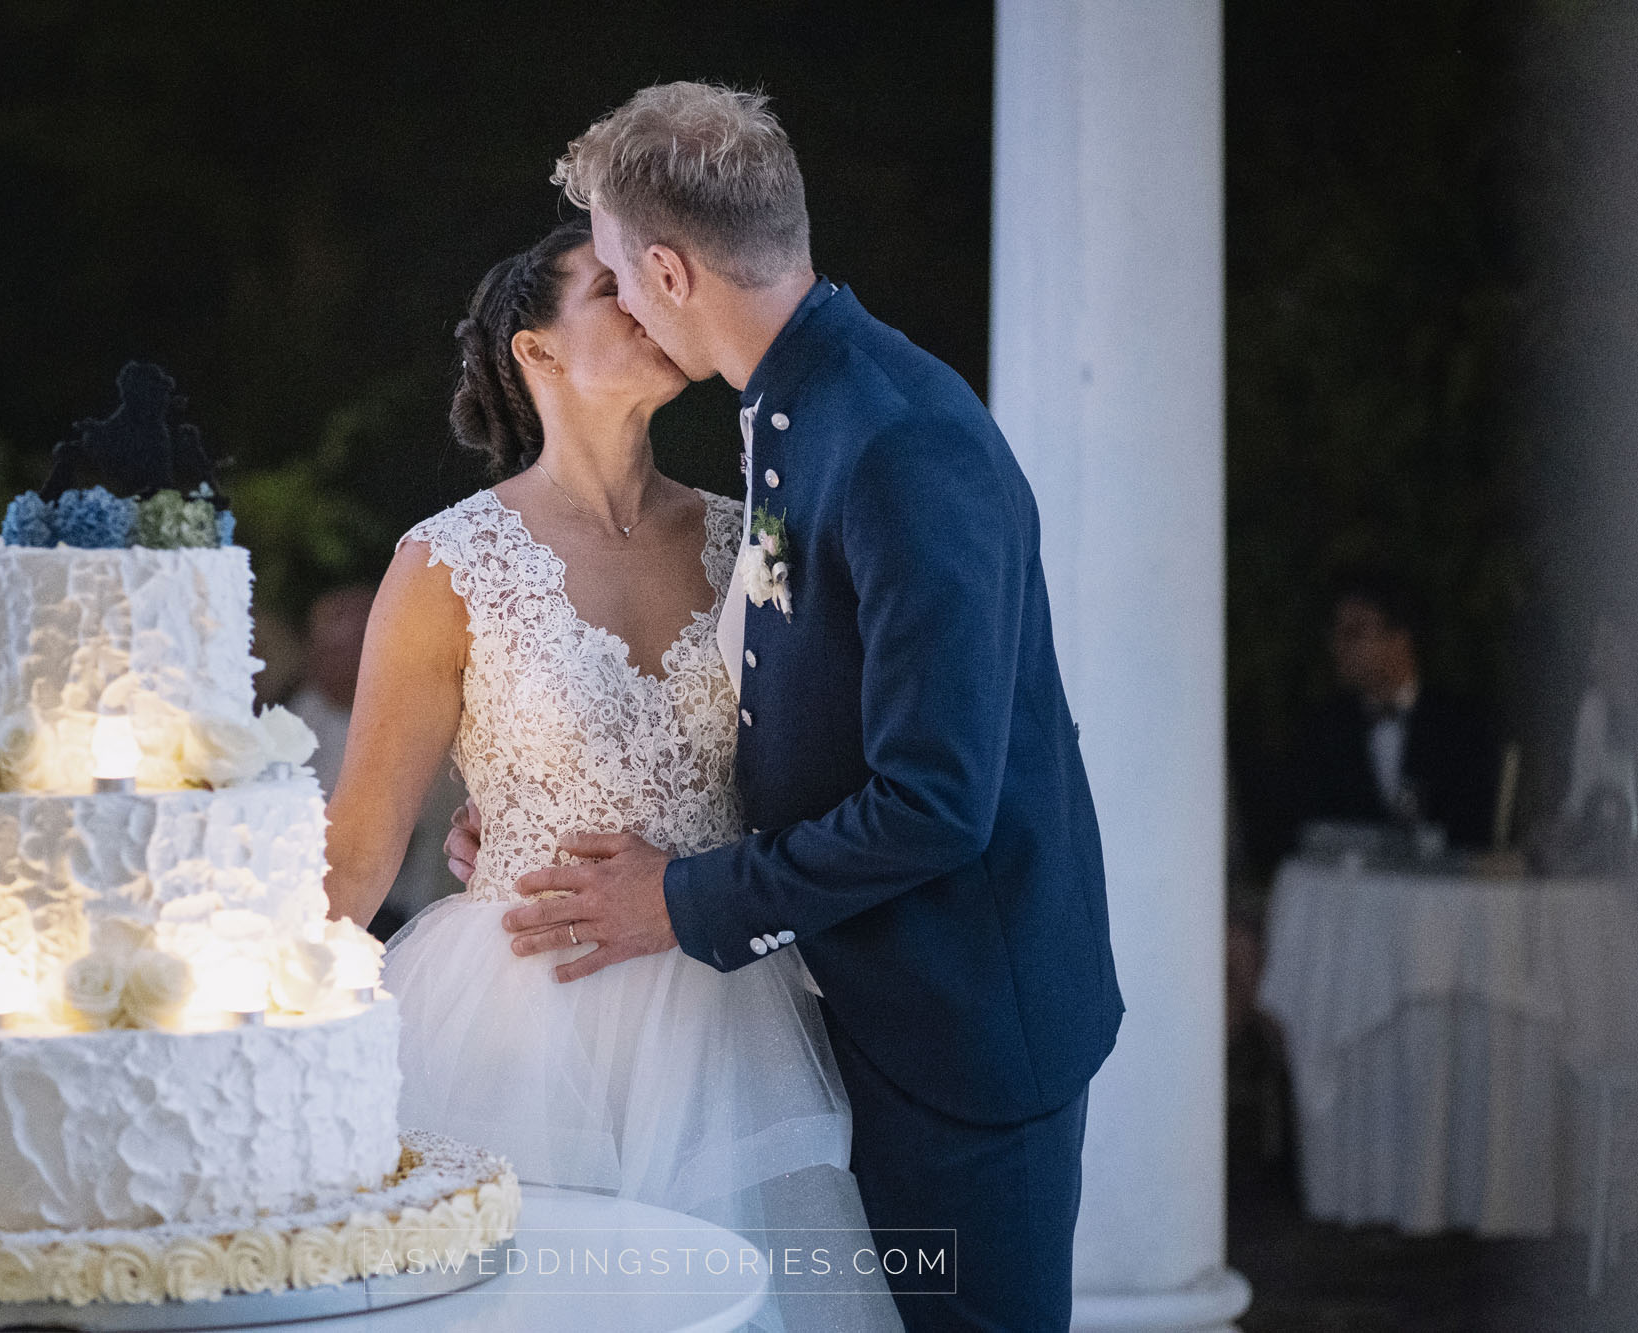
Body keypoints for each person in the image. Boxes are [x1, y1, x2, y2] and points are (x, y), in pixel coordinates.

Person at [462, 83, 1124, 1331]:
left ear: (665, 267)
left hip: (964, 1033)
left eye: (612, 267)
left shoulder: (895, 440)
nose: (615, 288)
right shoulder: (790, 399)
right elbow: (791, 698)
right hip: (855, 1004)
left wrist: (677, 898)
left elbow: (934, 804)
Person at [320, 211, 898, 1330]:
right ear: (533, 352)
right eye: (608, 290)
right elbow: (356, 851)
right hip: (519, 1018)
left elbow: (826, 755)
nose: (648, 302)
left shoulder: (754, 534)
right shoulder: (445, 563)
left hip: (731, 1004)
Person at [286, 585, 462, 935]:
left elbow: (387, 830)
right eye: (321, 648)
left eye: (341, 651)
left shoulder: (417, 718)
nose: (323, 661)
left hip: (390, 910)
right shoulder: (304, 707)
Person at [1296, 570, 1500, 850]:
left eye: (1354, 632)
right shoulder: (1326, 728)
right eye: (1336, 633)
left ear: (1401, 638)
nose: (1338, 646)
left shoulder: (1460, 725)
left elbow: (1476, 829)